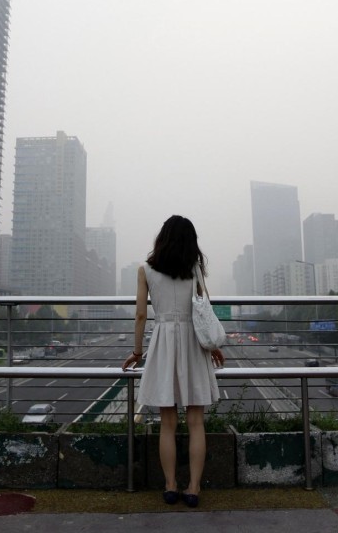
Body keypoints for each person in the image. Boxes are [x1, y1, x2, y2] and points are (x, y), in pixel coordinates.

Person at [122, 215, 224, 507]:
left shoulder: (146, 270)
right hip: (194, 345)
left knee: (167, 423)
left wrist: (137, 352)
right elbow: (204, 311)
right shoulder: (195, 271)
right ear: (191, 242)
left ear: (162, 238)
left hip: (164, 343)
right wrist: (213, 346)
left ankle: (170, 485)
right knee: (195, 422)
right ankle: (193, 488)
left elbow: (141, 315)